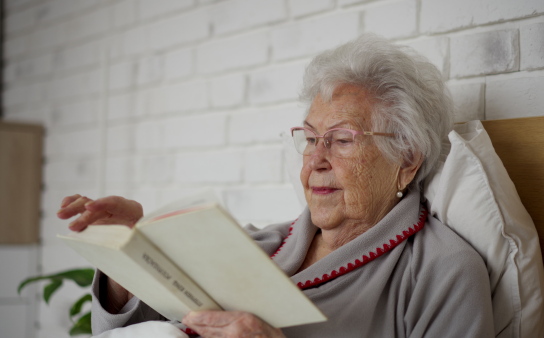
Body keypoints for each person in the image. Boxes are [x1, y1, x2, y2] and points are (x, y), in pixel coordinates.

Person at [57, 34, 494, 337]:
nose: (316, 161)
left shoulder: (441, 272)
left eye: (342, 140)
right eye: (309, 139)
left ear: (407, 159)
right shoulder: (258, 244)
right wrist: (132, 259)